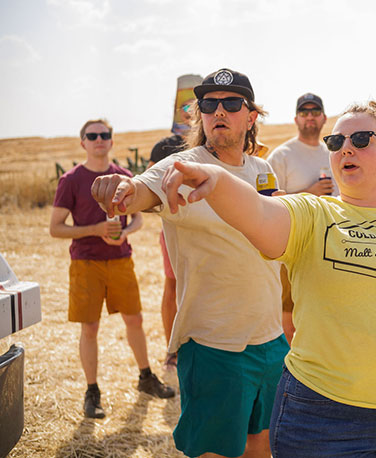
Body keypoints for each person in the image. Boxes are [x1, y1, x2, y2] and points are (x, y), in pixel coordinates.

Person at [143, 100, 376, 457]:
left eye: (361, 139)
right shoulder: (312, 212)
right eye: (336, 142)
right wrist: (220, 179)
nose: (346, 148)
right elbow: (259, 213)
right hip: (325, 418)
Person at [92, 68, 288, 458]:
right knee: (212, 452)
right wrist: (124, 189)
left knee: (262, 446)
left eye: (231, 103)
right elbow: (143, 189)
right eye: (209, 104)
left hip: (270, 340)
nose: (219, 111)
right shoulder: (182, 166)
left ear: (251, 117)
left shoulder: (262, 170)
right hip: (214, 343)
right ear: (199, 114)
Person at [49, 119, 174, 419]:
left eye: (104, 135)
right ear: (83, 143)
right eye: (92, 136)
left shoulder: (124, 176)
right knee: (90, 327)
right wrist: (96, 230)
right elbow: (55, 228)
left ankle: (146, 377)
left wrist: (123, 233)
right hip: (86, 262)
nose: (99, 140)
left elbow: (139, 219)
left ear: (112, 141)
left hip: (120, 260)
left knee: (135, 320)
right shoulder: (71, 180)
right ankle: (92, 391)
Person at [266, 93, 335, 343]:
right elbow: (268, 203)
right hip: (292, 247)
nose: (309, 117)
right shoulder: (281, 156)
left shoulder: (333, 154)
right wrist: (310, 193)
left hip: (329, 247)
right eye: (304, 113)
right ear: (296, 118)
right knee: (289, 312)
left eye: (315, 112)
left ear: (324, 118)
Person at [149, 96, 196, 370]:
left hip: (205, 224)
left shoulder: (206, 146)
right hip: (173, 228)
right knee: (173, 286)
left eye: (193, 108)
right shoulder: (162, 147)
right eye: (184, 108)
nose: (188, 113)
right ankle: (172, 350)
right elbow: (149, 185)